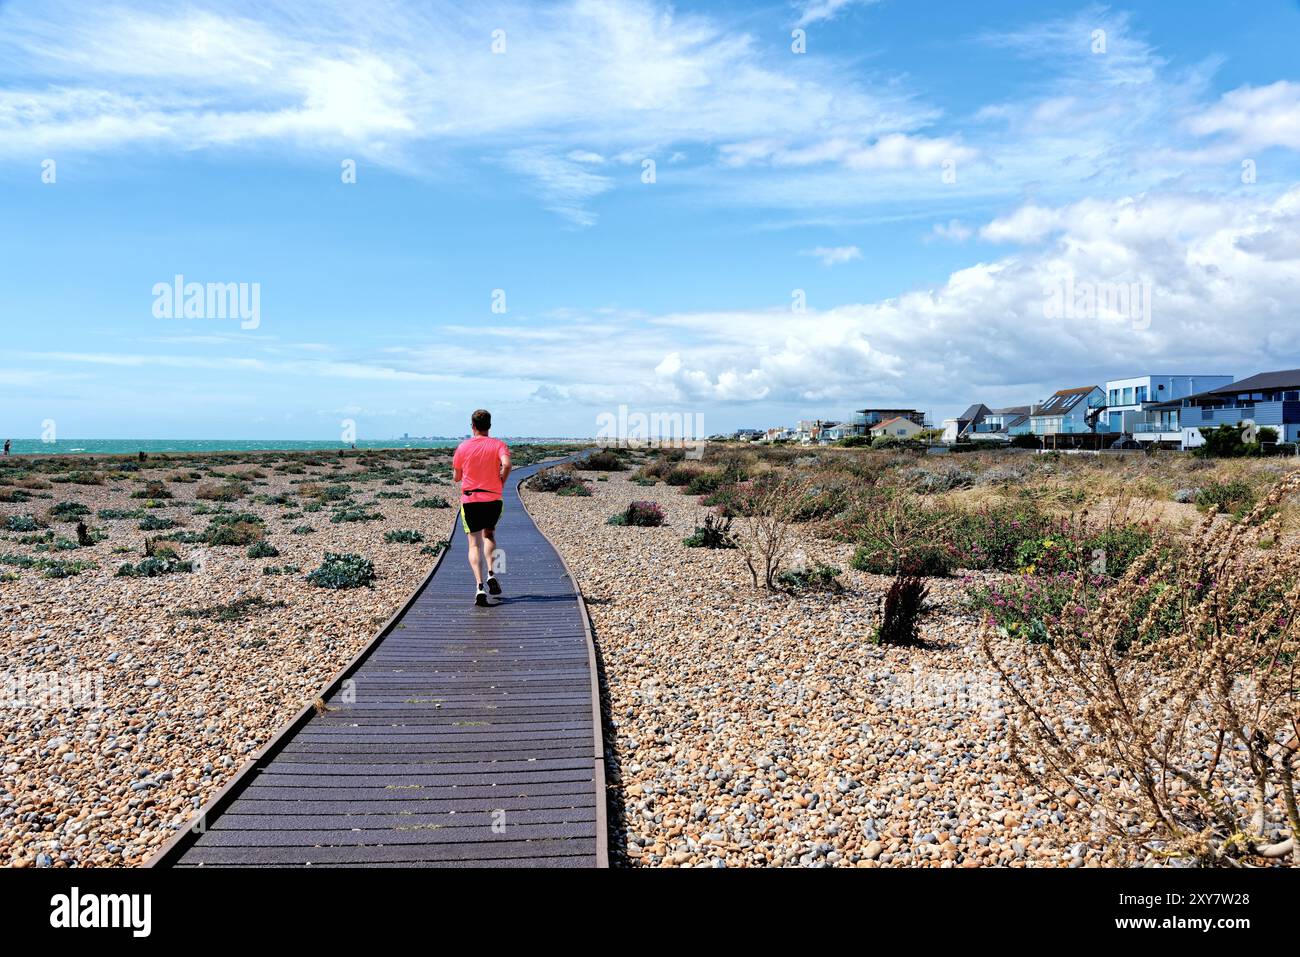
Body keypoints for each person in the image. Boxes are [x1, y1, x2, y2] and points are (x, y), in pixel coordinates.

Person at [451, 409, 511, 606]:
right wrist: (501, 481)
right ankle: (491, 573)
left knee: (473, 543)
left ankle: (479, 587)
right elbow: (507, 464)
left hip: (471, 500)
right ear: (490, 426)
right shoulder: (499, 445)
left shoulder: (463, 447)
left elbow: (457, 477)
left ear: (472, 426)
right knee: (489, 535)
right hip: (493, 499)